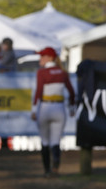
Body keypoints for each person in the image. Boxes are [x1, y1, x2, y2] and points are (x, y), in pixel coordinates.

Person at [31, 47, 76, 177]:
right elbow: (72, 92)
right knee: (56, 140)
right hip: (60, 109)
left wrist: (34, 110)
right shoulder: (63, 72)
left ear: (49, 58)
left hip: (45, 107)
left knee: (45, 141)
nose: (40, 59)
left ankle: (47, 170)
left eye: (42, 56)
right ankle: (55, 167)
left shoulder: (42, 72)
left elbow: (38, 92)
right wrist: (72, 108)